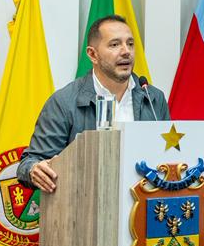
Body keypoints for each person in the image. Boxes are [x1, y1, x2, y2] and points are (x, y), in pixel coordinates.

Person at [18, 15, 170, 192]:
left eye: (130, 43)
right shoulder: (64, 102)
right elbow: (29, 162)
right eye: (115, 45)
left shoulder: (152, 98)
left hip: (142, 204)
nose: (126, 51)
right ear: (92, 54)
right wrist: (34, 169)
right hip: (85, 206)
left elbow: (166, 156)